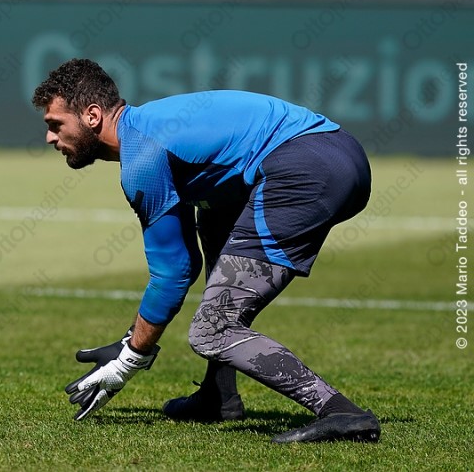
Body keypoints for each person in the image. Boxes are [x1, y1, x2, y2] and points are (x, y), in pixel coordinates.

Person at [31, 58, 381, 443]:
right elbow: (188, 257)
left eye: (55, 124)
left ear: (93, 116)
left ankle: (342, 413)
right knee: (213, 225)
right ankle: (219, 395)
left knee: (210, 330)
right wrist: (134, 338)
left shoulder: (142, 157)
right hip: (336, 152)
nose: (50, 137)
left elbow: (173, 273)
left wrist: (129, 358)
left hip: (306, 167)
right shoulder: (150, 129)